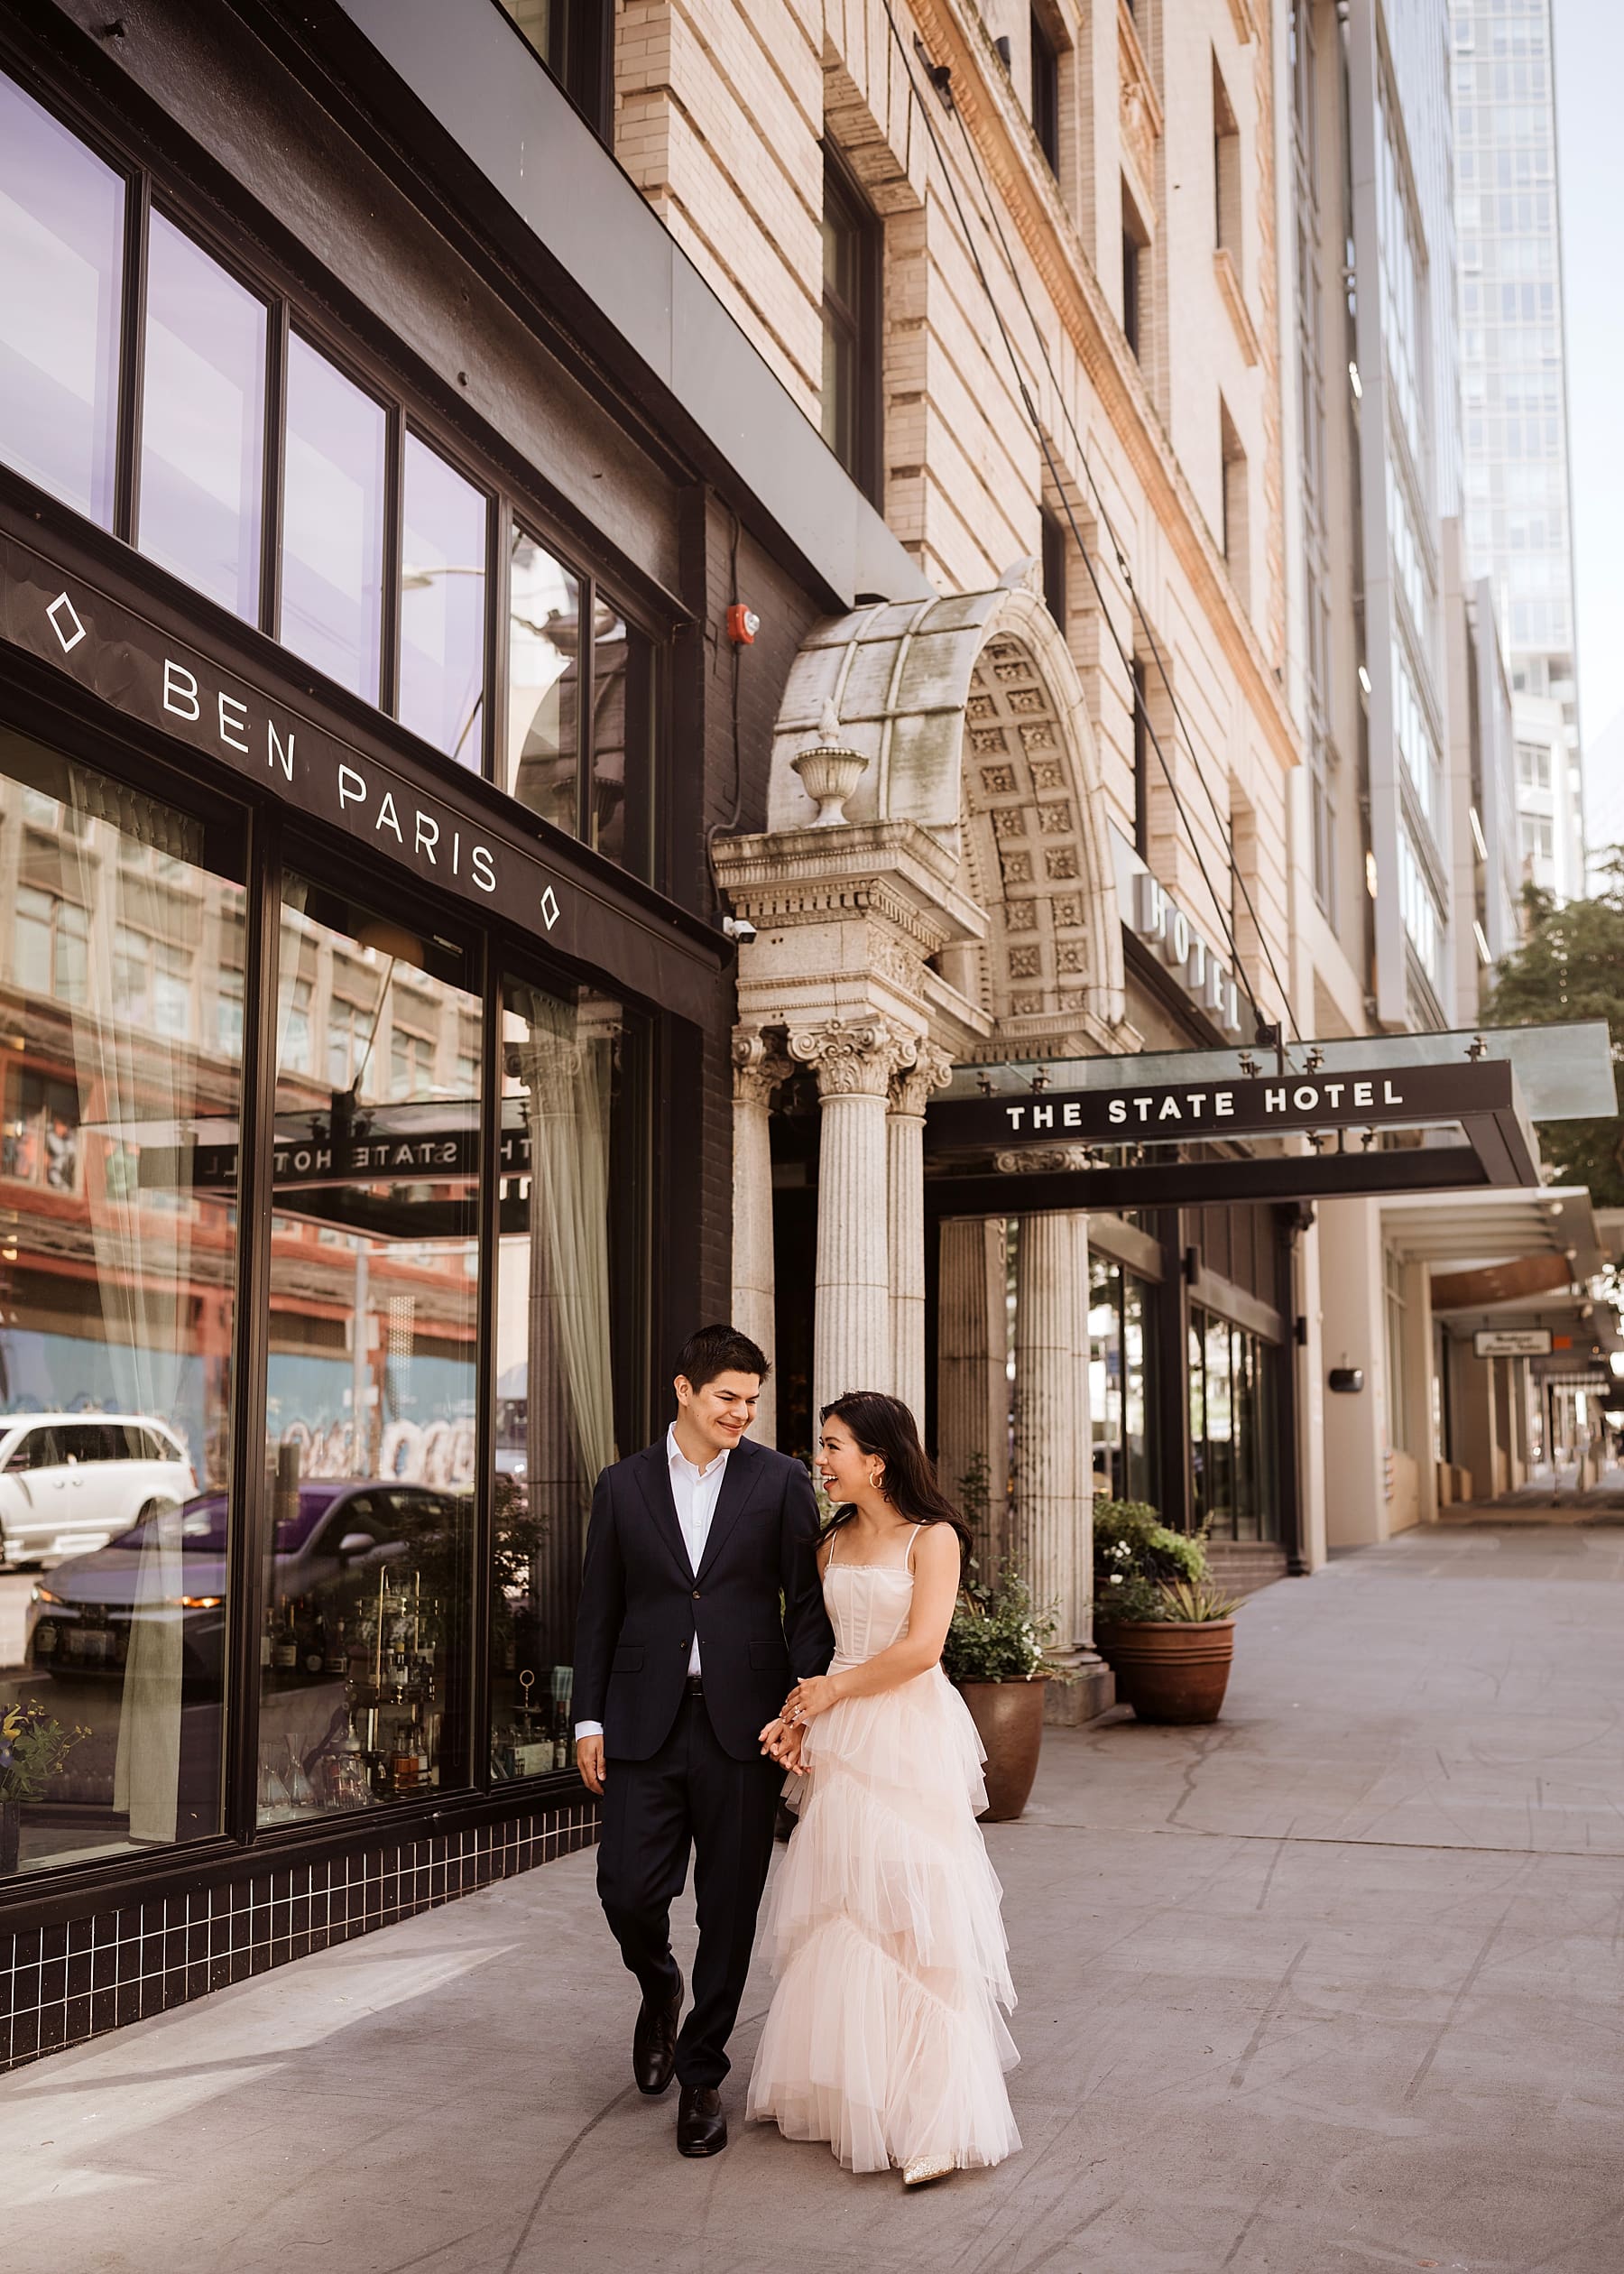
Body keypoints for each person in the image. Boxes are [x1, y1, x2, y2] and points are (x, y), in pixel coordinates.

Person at [572, 1325, 835, 2158]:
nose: (742, 1414)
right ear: (684, 1389)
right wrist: (588, 1717)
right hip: (643, 1723)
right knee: (627, 1893)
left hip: (744, 1727)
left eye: (752, 1401)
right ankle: (659, 1986)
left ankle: (702, 2074)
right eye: (728, 1396)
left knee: (729, 1908)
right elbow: (598, 1612)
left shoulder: (781, 1480)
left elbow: (806, 1606)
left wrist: (801, 1709)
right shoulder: (621, 1486)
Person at [747, 1391, 1021, 2187]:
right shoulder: (829, 1544)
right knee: (844, 1907)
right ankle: (846, 2090)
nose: (819, 1460)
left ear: (877, 1458)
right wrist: (801, 1713)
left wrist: (831, 1696)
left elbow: (921, 1648)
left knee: (916, 1917)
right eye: (820, 1445)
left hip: (904, 1728)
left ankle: (934, 2112)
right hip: (839, 1726)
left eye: (832, 1446)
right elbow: (819, 1646)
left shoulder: (932, 1539)